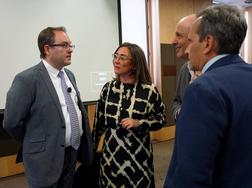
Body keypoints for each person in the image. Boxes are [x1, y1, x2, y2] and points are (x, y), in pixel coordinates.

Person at [164, 4, 252, 188]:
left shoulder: (203, 89)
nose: (187, 50)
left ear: (208, 43)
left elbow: (190, 174)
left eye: (190, 40)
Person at [3, 27, 93, 188]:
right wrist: (35, 141)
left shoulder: (69, 75)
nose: (70, 50)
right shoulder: (27, 79)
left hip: (71, 152)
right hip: (43, 158)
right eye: (64, 45)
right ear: (47, 48)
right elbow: (12, 122)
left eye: (71, 45)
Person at [92, 42, 166, 188]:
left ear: (134, 64)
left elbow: (161, 119)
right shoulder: (108, 89)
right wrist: (90, 153)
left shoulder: (149, 90)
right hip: (110, 160)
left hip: (138, 161)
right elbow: (98, 124)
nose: (116, 61)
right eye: (115, 56)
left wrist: (140, 123)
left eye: (123, 57)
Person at [172, 14, 198, 121]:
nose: (173, 41)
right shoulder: (184, 69)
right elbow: (177, 100)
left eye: (179, 36)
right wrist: (179, 113)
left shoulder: (217, 73)